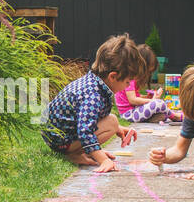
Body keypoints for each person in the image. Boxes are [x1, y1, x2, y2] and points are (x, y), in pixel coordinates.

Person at [41, 34, 147, 173]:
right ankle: (74, 154)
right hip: (60, 142)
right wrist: (103, 159)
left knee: (114, 123)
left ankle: (81, 152)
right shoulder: (93, 95)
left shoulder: (93, 83)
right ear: (113, 77)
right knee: (111, 122)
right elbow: (85, 131)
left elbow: (85, 118)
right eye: (127, 82)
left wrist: (118, 128)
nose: (128, 87)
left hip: (56, 135)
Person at [115, 45, 183, 124]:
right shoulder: (129, 78)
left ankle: (153, 118)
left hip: (134, 111)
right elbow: (132, 100)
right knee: (159, 103)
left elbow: (132, 97)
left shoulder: (131, 77)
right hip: (129, 114)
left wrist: (146, 97)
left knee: (161, 112)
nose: (148, 74)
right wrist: (152, 101)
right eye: (148, 71)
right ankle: (175, 116)